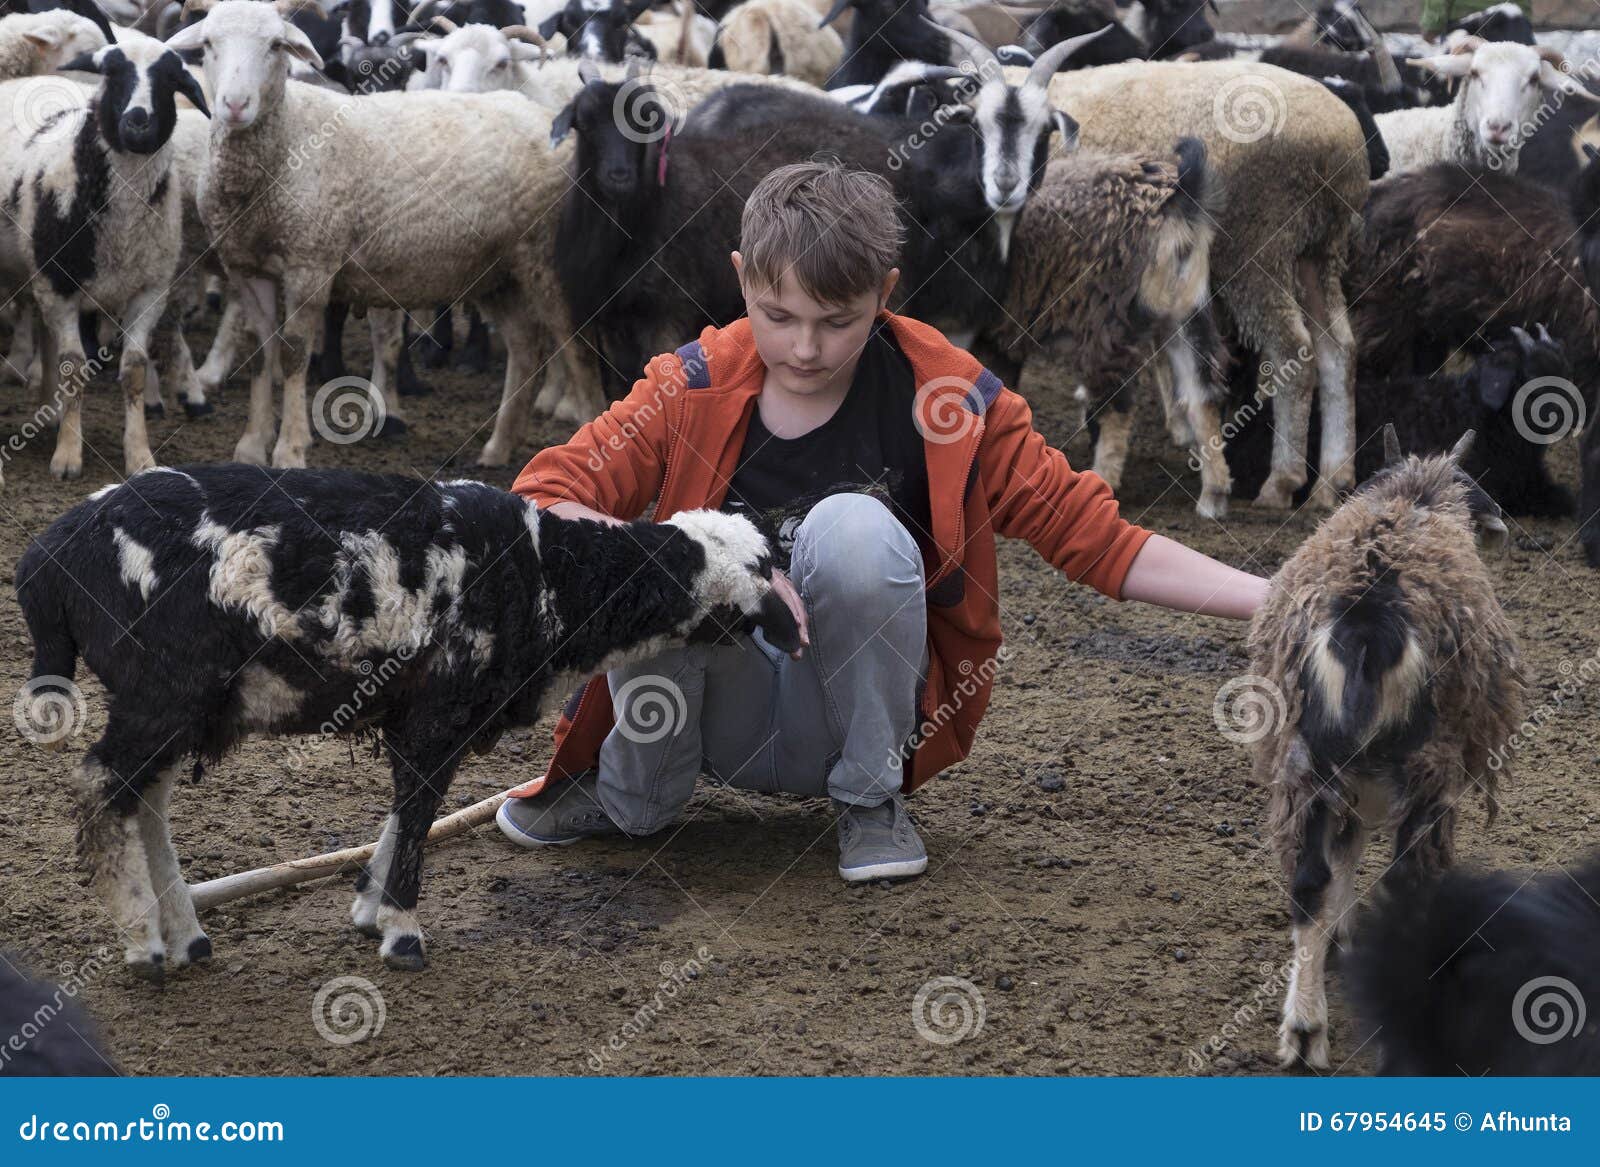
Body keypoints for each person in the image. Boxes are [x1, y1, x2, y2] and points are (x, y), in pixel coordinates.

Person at [497, 161, 1270, 883]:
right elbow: (543, 497)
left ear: (886, 292)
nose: (804, 348)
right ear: (741, 279)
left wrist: (1277, 596)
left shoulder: (951, 401)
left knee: (852, 528)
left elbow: (1100, 540)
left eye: (838, 320)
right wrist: (703, 560)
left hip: (844, 719)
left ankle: (869, 801)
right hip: (700, 717)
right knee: (675, 552)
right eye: (778, 315)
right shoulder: (689, 385)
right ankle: (634, 793)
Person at [1418, 0, 1531, 40]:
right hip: (1516, 30)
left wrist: (1431, 28)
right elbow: (1523, 9)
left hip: (1465, 32)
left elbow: (1431, 30)